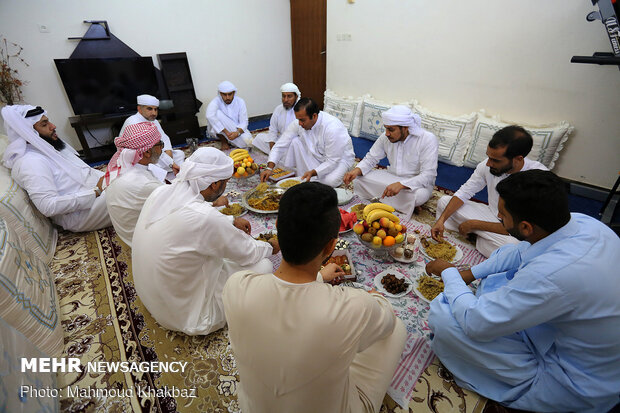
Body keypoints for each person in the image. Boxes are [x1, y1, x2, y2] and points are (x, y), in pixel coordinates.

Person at [426, 170, 620, 413]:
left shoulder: (552, 274)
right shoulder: (584, 222)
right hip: (562, 325)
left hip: (570, 378)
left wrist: (449, 273)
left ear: (526, 226)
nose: (497, 217)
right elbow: (520, 252)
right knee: (501, 259)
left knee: (443, 318)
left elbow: (475, 323)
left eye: (502, 215)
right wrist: (471, 273)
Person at [223, 182, 407, 413]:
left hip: (254, 407)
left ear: (278, 227)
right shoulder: (355, 305)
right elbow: (386, 320)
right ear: (331, 245)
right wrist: (376, 298)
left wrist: (319, 278)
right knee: (397, 328)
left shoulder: (236, 285)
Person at [132, 147, 278, 335]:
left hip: (155, 299)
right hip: (190, 317)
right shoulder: (205, 217)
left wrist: (231, 220)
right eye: (226, 182)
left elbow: (191, 217)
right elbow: (248, 253)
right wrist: (271, 246)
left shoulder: (161, 192)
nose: (226, 186)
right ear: (215, 184)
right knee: (264, 265)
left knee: (219, 252)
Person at [431, 125, 547, 257]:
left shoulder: (538, 180)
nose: (488, 163)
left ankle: (479, 236)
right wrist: (441, 220)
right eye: (489, 157)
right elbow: (465, 191)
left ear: (518, 159)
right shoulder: (489, 165)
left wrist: (474, 224)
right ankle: (482, 238)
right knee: (444, 202)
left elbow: (522, 228)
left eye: (495, 160)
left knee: (514, 248)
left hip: (513, 230)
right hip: (491, 214)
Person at [1, 104, 111, 232]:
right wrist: (96, 192)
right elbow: (48, 206)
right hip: (81, 213)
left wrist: (108, 178)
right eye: (44, 124)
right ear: (28, 133)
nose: (53, 126)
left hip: (95, 194)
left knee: (133, 172)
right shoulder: (31, 162)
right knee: (133, 189)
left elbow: (83, 171)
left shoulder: (46, 147)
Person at [343, 105, 438, 217]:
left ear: (405, 128)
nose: (387, 133)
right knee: (360, 178)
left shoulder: (427, 139)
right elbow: (371, 158)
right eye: (386, 128)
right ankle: (404, 205)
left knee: (418, 196)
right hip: (391, 177)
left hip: (416, 184)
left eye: (391, 129)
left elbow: (428, 175)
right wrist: (356, 170)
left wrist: (402, 185)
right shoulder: (386, 136)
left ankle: (405, 202)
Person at [260, 97, 355, 187]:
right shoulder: (299, 122)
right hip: (316, 154)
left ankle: (310, 176)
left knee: (330, 181)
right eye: (298, 119)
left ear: (314, 116)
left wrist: (313, 172)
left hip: (340, 159)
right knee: (295, 142)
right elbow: (280, 145)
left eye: (302, 120)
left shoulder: (332, 128)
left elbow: (333, 160)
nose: (299, 123)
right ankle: (308, 176)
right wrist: (269, 168)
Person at [104, 122, 165, 247]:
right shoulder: (146, 184)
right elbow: (178, 204)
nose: (162, 148)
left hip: (126, 234)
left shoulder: (120, 167)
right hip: (144, 243)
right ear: (147, 152)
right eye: (160, 144)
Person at [119, 94, 184, 178]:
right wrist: (170, 162)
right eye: (149, 109)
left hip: (153, 152)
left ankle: (165, 170)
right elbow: (149, 149)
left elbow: (163, 137)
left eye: (155, 109)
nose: (154, 113)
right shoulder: (133, 123)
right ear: (139, 109)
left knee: (179, 154)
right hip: (139, 158)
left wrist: (168, 150)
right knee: (153, 166)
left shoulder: (152, 120)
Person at [251, 82, 301, 154]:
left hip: (295, 143)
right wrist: (272, 150)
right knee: (259, 138)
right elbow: (273, 130)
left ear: (296, 97)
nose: (286, 100)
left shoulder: (301, 110)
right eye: (284, 96)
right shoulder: (278, 109)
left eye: (289, 96)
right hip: (280, 140)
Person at [205, 81, 252, 150]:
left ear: (234, 93)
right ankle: (224, 140)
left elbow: (244, 121)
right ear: (220, 94)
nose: (227, 97)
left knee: (248, 142)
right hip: (221, 130)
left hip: (236, 128)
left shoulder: (240, 102)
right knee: (216, 114)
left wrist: (237, 133)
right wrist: (226, 132)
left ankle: (231, 140)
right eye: (224, 94)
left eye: (230, 94)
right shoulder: (216, 101)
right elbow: (209, 115)